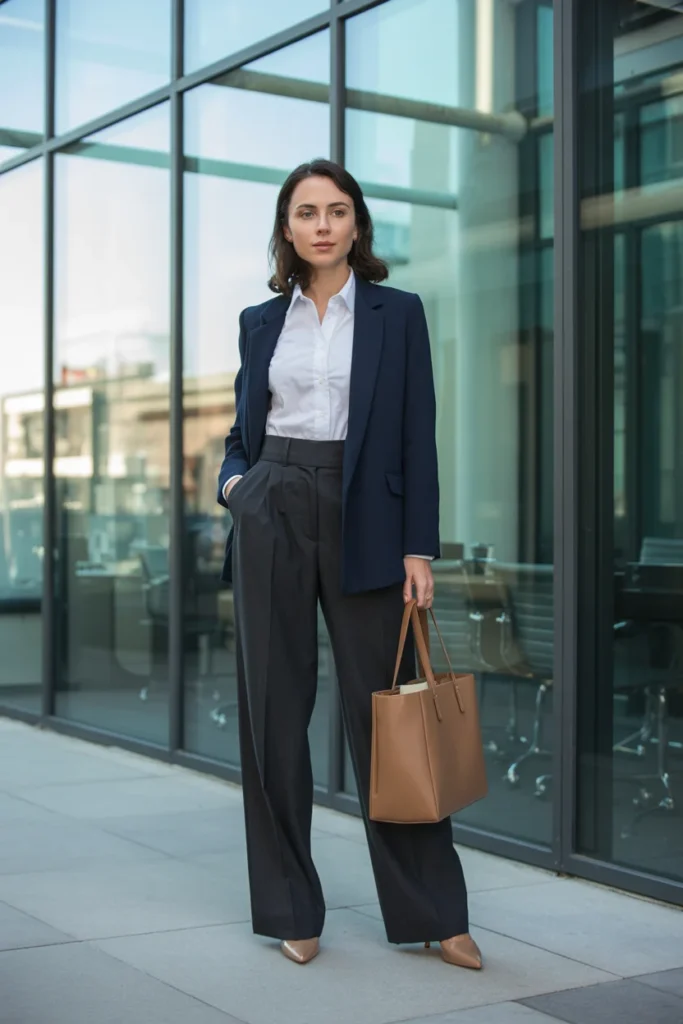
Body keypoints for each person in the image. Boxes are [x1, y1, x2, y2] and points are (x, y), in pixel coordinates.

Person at [217, 158, 481, 970]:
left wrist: (418, 546)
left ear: (356, 222)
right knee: (273, 716)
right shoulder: (261, 321)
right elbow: (241, 428)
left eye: (335, 210)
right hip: (272, 505)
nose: (322, 225)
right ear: (287, 228)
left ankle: (433, 913)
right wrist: (236, 487)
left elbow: (416, 433)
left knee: (388, 717)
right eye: (306, 212)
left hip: (367, 517)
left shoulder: (397, 313)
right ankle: (291, 909)